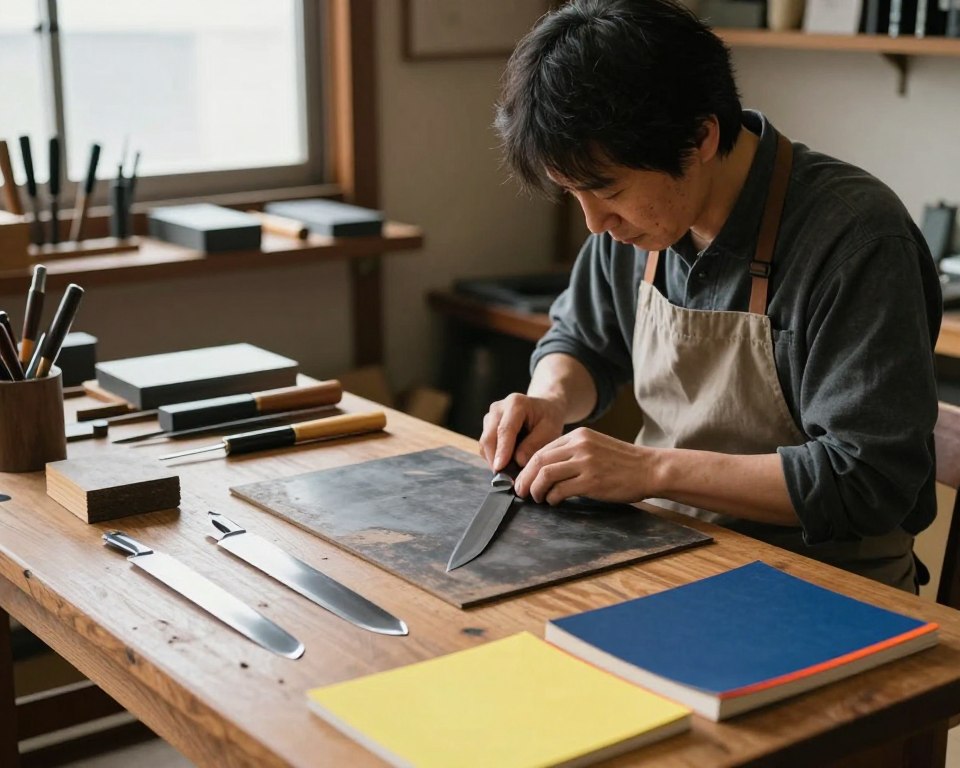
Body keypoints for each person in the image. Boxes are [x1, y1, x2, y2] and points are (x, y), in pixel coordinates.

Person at [480, 0, 942, 592]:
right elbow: (584, 340)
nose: (595, 223)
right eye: (573, 193)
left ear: (699, 137)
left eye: (608, 190)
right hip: (668, 549)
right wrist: (549, 399)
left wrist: (650, 469)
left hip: (827, 584)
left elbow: (865, 479)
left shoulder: (855, 239)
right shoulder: (639, 221)